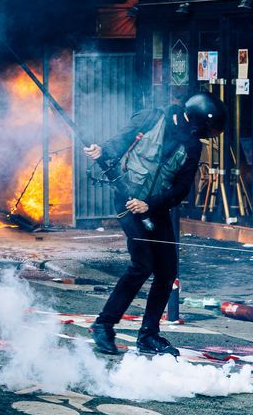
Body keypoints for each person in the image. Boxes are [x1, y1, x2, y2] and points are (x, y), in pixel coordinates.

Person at [86, 91, 224, 357]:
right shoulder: (152, 118)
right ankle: (103, 325)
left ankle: (148, 335)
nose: (205, 135)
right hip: (126, 201)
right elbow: (121, 140)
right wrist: (101, 149)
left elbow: (182, 187)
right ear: (197, 121)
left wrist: (151, 204)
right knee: (142, 265)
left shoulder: (193, 146)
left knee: (167, 270)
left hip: (156, 207)